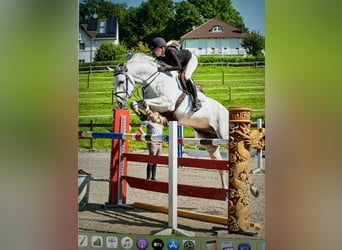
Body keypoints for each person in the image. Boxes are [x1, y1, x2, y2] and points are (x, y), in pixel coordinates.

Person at [150, 37, 202, 112]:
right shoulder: (160, 56)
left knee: (186, 76)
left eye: (154, 50)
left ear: (161, 48)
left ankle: (197, 101)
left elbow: (178, 67)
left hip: (190, 59)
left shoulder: (170, 51)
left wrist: (165, 69)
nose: (153, 52)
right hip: (181, 63)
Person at [138, 113, 164, 180]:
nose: (155, 114)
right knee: (151, 157)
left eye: (156, 114)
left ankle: (153, 176)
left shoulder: (160, 123)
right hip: (152, 142)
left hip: (159, 143)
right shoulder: (147, 122)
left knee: (157, 159)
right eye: (154, 113)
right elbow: (140, 128)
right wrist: (145, 136)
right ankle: (148, 176)